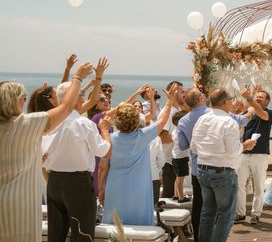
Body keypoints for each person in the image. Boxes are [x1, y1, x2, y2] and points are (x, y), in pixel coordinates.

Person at [0, 61, 94, 242]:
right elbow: (66, 108)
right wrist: (77, 77)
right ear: (14, 101)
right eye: (23, 97)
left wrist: (35, 158)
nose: (24, 101)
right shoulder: (27, 123)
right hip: (20, 203)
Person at [45, 59, 112, 242]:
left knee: (55, 235)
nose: (83, 97)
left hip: (54, 182)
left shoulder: (47, 124)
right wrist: (105, 131)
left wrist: (97, 78)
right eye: (80, 95)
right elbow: (105, 152)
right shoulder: (85, 124)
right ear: (73, 99)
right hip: (78, 183)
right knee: (83, 234)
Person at [101, 84, 179, 225]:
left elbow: (103, 168)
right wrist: (170, 101)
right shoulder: (144, 136)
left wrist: (101, 188)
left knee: (115, 222)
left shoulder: (111, 139)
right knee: (139, 221)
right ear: (136, 120)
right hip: (140, 187)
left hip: (115, 186)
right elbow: (162, 120)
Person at [191, 88, 257, 242]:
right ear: (225, 102)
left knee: (207, 212)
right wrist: (246, 145)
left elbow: (193, 147)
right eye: (230, 100)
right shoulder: (229, 122)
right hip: (223, 173)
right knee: (226, 215)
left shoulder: (201, 119)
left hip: (203, 170)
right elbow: (234, 151)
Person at [236, 86, 272, 224]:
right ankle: (240, 214)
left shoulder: (269, 113)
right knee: (239, 184)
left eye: (261, 97)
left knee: (259, 186)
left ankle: (256, 214)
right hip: (244, 153)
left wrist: (249, 98)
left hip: (260, 154)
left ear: (267, 102)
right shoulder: (248, 112)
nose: (258, 99)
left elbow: (261, 113)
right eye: (256, 96)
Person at [177, 87, 210, 242]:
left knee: (198, 205)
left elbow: (183, 145)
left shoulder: (183, 120)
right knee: (217, 206)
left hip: (197, 168)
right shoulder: (214, 114)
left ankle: (198, 238)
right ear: (201, 98)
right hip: (218, 166)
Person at [171, 111, 190, 203]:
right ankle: (181, 198)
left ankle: (176, 195)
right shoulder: (180, 132)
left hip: (176, 157)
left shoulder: (175, 131)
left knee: (178, 177)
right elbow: (184, 145)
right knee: (180, 179)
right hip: (181, 158)